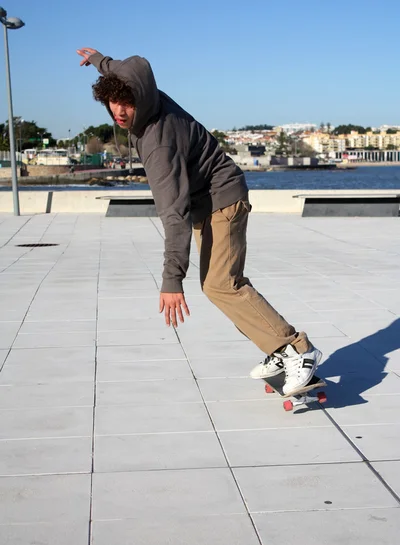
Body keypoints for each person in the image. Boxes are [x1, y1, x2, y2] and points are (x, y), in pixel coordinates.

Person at [76, 47, 322, 395]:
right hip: (208, 201)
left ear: (140, 95)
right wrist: (100, 60)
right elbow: (124, 70)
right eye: (112, 102)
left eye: (126, 102)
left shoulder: (159, 143)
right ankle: (279, 349)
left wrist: (171, 279)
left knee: (222, 284)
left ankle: (298, 351)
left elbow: (172, 214)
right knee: (221, 284)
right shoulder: (146, 93)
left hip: (222, 199)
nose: (119, 111)